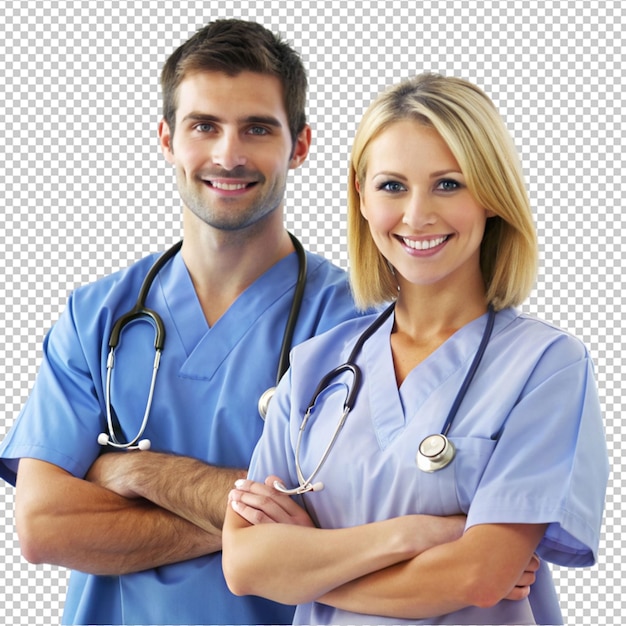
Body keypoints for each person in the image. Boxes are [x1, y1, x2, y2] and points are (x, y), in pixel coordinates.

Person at [0, 19, 364, 626]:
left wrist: (135, 470)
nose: (229, 154)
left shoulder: (356, 323)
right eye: (204, 126)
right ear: (167, 139)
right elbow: (45, 528)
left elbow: (352, 523)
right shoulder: (96, 317)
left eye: (257, 127)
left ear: (299, 145)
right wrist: (256, 523)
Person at [221, 73, 609, 625]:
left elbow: (477, 578)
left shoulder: (546, 368)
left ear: (492, 194)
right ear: (361, 194)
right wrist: (419, 535)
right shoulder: (315, 368)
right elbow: (245, 564)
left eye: (448, 184)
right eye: (392, 186)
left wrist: (310, 563)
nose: (417, 214)